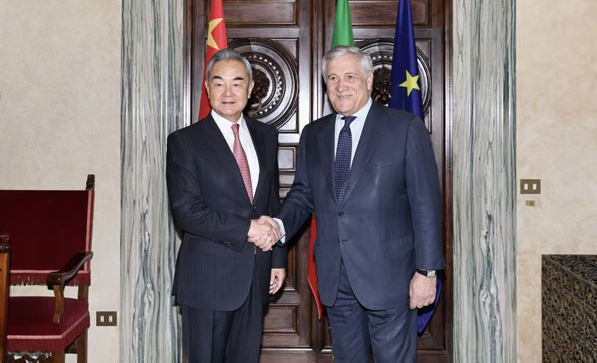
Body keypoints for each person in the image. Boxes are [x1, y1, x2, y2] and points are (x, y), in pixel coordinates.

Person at [272, 45, 445, 363]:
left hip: (392, 278)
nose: (341, 86)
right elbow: (303, 194)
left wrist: (428, 271)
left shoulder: (405, 128)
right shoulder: (314, 134)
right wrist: (278, 226)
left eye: (350, 76)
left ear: (368, 80)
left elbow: (426, 205)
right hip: (336, 279)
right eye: (333, 78)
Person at [166, 49, 287, 363]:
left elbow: (271, 203)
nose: (228, 92)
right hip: (208, 279)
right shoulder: (185, 141)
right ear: (208, 88)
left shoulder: (266, 136)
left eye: (237, 83)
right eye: (219, 83)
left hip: (256, 275)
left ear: (250, 88)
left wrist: (277, 258)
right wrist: (248, 229)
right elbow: (187, 211)